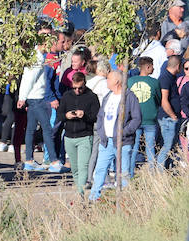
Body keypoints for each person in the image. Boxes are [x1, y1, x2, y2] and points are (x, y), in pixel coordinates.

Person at [88, 69, 140, 202]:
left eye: (109, 79)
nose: (106, 81)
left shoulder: (129, 97)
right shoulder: (108, 96)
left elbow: (136, 119)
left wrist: (123, 132)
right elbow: (101, 116)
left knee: (123, 172)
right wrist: (101, 131)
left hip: (123, 142)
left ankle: (125, 200)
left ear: (117, 81)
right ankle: (93, 198)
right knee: (100, 170)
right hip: (106, 142)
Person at [57, 69, 101, 198]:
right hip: (69, 136)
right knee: (75, 168)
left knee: (83, 167)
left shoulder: (91, 96)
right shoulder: (67, 96)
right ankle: (79, 191)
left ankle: (80, 194)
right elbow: (59, 115)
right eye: (75, 88)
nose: (77, 91)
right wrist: (66, 115)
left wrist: (85, 115)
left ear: (84, 84)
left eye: (80, 88)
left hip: (85, 136)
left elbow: (96, 116)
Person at [18, 50, 61, 172]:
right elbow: (29, 79)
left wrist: (23, 97)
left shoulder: (33, 57)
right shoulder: (37, 58)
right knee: (47, 129)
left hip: (33, 98)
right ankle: (54, 161)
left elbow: (26, 79)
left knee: (30, 129)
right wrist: (22, 98)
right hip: (37, 99)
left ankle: (29, 160)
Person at [127, 57, 161, 168]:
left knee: (133, 149)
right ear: (147, 67)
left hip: (134, 119)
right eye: (152, 66)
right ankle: (152, 173)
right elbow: (159, 99)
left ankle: (129, 175)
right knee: (150, 149)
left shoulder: (130, 81)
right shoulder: (154, 82)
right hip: (150, 119)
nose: (153, 68)